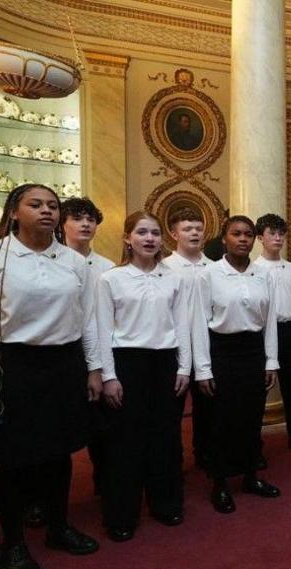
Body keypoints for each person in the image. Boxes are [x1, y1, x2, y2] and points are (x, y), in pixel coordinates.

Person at [0, 184, 102, 569]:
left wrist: (94, 369)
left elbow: (88, 320)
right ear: (13, 212)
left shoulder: (74, 262)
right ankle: (13, 543)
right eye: (35, 205)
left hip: (64, 365)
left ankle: (58, 528)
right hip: (12, 365)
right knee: (15, 459)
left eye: (53, 206)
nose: (46, 211)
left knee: (59, 454)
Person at [96, 212, 191, 541]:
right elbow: (102, 332)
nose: (149, 238)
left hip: (166, 362)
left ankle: (166, 503)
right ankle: (122, 514)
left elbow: (183, 326)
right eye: (141, 232)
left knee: (165, 437)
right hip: (126, 364)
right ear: (128, 238)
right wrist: (108, 376)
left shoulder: (175, 278)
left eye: (154, 233)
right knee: (125, 442)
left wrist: (184, 368)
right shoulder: (111, 279)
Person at [192, 216, 281, 514]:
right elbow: (198, 324)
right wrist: (203, 368)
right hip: (222, 352)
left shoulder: (263, 274)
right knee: (222, 421)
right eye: (236, 234)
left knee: (251, 419)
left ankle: (251, 477)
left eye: (248, 234)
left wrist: (271, 361)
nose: (243, 239)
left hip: (253, 351)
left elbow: (270, 322)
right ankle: (220, 482)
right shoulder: (209, 274)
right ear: (224, 238)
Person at [60, 197, 114, 499]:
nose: (85, 224)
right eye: (78, 218)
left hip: (101, 356)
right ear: (63, 224)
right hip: (64, 354)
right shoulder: (54, 261)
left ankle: (106, 484)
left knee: (102, 429)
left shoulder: (107, 267)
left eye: (90, 219)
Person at [161, 208, 214, 472]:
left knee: (208, 409)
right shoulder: (164, 269)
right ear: (173, 234)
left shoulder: (215, 269)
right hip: (175, 351)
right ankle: (172, 463)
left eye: (198, 228)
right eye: (187, 229)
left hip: (209, 350)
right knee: (172, 411)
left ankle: (205, 454)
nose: (194, 233)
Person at [252, 214, 291, 453]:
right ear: (261, 238)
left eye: (281, 233)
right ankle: (255, 443)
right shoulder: (254, 270)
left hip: (289, 330)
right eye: (272, 233)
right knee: (260, 389)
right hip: (262, 335)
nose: (278, 238)